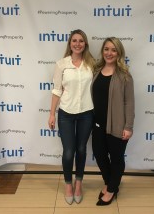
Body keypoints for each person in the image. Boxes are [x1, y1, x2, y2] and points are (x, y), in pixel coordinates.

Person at [48, 29, 95, 205]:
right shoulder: (61, 64)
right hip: (66, 113)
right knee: (69, 152)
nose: (77, 44)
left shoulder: (92, 64)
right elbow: (56, 90)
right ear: (70, 43)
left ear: (85, 44)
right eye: (74, 40)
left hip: (87, 113)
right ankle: (68, 184)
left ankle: (79, 184)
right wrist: (52, 113)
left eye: (81, 41)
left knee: (81, 149)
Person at [91, 37, 135, 206]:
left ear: (119, 53)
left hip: (117, 125)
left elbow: (129, 102)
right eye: (106, 49)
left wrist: (128, 126)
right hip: (97, 125)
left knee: (116, 159)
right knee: (100, 156)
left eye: (113, 50)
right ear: (102, 51)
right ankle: (111, 183)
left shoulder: (125, 76)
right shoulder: (96, 70)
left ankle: (111, 190)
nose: (109, 53)